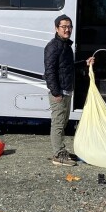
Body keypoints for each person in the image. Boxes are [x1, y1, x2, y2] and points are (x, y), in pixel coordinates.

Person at [43, 15, 92, 166]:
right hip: (59, 92)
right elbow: (49, 72)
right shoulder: (53, 46)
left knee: (63, 122)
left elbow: (67, 67)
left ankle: (61, 149)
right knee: (58, 123)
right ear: (56, 28)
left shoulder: (65, 46)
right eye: (63, 26)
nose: (67, 29)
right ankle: (58, 154)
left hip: (66, 90)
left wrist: (85, 63)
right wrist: (56, 92)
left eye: (69, 26)